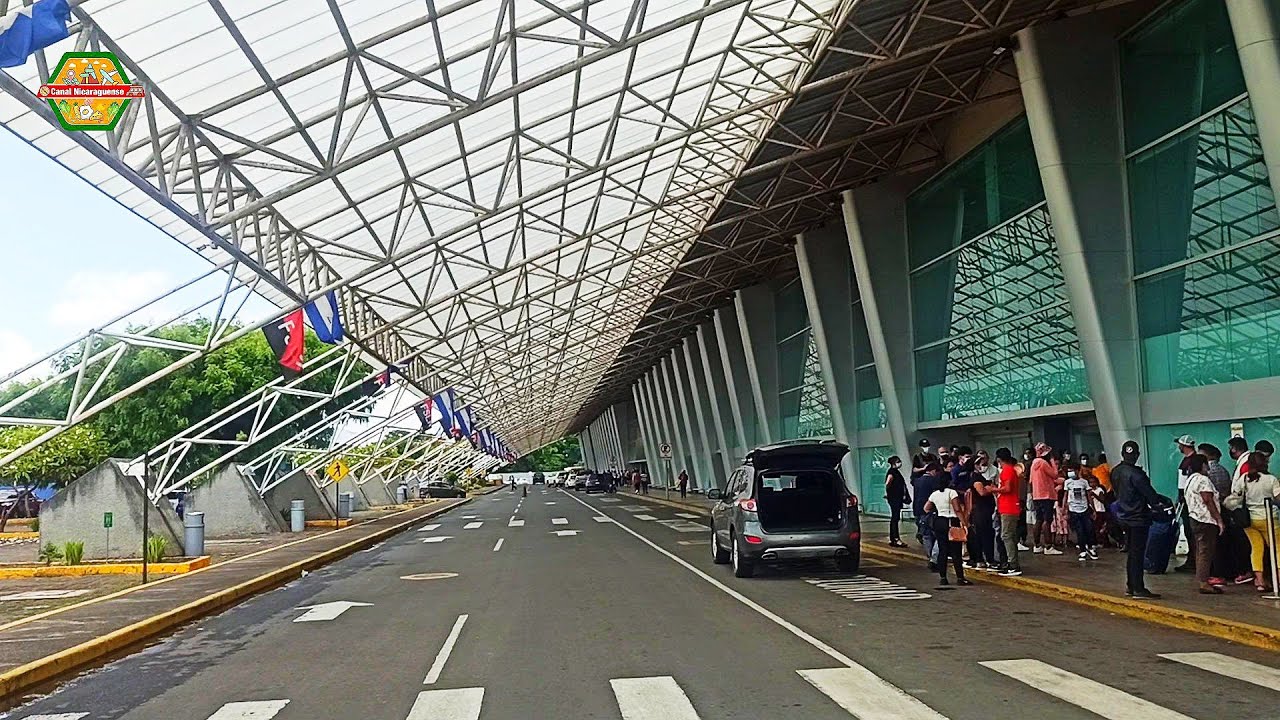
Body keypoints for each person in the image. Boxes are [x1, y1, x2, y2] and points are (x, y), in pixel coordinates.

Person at [1112, 440, 1170, 599]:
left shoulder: (1116, 471)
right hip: (1138, 518)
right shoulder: (1137, 474)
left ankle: (1131, 586)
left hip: (1124, 516)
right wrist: (1159, 505)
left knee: (1132, 553)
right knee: (1137, 554)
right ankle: (1138, 587)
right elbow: (1150, 495)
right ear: (1136, 455)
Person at [1230, 451, 1280, 592]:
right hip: (1268, 518)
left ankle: (1259, 581)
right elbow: (1278, 498)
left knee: (1256, 549)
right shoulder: (1271, 479)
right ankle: (1279, 579)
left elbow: (1235, 495)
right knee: (1277, 549)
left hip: (1249, 520)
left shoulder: (1244, 478)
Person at [1182, 453, 1225, 594]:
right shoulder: (1203, 480)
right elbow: (1208, 500)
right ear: (1202, 465)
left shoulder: (1190, 480)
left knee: (1200, 550)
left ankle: (1202, 579)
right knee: (1205, 551)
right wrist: (1218, 519)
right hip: (1206, 519)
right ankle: (1204, 582)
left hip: (1194, 518)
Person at [924, 475, 971, 587]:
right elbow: (957, 509)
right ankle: (960, 578)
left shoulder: (934, 494)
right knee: (956, 551)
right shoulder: (952, 492)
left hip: (939, 522)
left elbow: (926, 508)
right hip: (952, 521)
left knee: (942, 550)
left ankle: (943, 578)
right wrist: (964, 524)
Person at [1030, 443, 1063, 555]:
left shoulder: (1034, 463)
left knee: (1038, 519)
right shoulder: (1043, 463)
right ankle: (1048, 546)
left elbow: (1031, 480)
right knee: (1047, 520)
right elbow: (1054, 474)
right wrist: (1053, 462)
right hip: (1046, 495)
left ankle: (1037, 545)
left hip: (1036, 495)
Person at [995, 448, 1023, 576]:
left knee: (1007, 535)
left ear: (999, 460)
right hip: (1008, 506)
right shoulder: (1010, 470)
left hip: (1009, 507)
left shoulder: (1007, 471)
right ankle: (1012, 562)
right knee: (1009, 535)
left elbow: (1007, 488)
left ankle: (1013, 564)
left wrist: (993, 489)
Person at [967, 453, 997, 571]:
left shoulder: (978, 476)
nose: (982, 466)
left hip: (983, 510)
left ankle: (982, 559)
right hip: (981, 510)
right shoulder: (976, 477)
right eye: (980, 464)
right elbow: (981, 492)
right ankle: (987, 559)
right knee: (985, 535)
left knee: (981, 535)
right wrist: (991, 489)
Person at [1174, 435, 1198, 574]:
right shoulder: (1189, 460)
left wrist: (1182, 498)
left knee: (1191, 531)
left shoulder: (1191, 461)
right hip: (1186, 499)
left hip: (1188, 501)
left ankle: (1193, 560)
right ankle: (1192, 558)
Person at [913, 463, 943, 569]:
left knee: (926, 535)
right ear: (934, 471)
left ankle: (930, 556)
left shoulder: (917, 481)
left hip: (918, 510)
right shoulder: (933, 481)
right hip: (931, 511)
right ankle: (934, 558)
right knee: (937, 535)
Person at [1064, 467, 1097, 561]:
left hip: (1084, 509)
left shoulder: (1084, 482)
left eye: (1072, 471)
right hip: (1073, 510)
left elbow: (1089, 496)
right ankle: (1082, 550)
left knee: (1089, 529)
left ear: (1078, 471)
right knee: (1079, 530)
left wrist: (1093, 509)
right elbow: (1066, 496)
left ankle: (1090, 547)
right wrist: (1064, 509)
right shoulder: (1067, 482)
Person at [884, 456, 909, 547]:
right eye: (898, 461)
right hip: (894, 498)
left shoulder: (896, 472)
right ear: (894, 463)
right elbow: (888, 483)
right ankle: (895, 538)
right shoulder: (892, 472)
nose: (900, 463)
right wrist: (889, 493)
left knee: (895, 518)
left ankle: (893, 538)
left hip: (896, 498)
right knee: (895, 518)